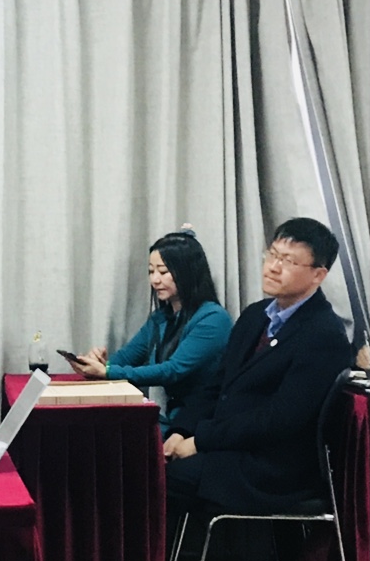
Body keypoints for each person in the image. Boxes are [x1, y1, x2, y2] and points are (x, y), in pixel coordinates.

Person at [164, 217, 351, 518]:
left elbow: (280, 420)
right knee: (146, 462)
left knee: (157, 479)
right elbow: (216, 386)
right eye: (272, 254)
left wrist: (201, 441)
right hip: (231, 448)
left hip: (271, 468)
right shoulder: (255, 315)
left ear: (318, 275)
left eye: (288, 261)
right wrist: (181, 430)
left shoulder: (323, 335)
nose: (273, 267)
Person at [66, 228, 233, 431]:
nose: (155, 280)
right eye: (151, 271)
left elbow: (172, 370)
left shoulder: (213, 319)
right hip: (173, 417)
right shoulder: (161, 318)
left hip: (201, 421)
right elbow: (127, 357)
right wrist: (99, 364)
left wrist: (107, 371)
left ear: (187, 272)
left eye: (163, 272)